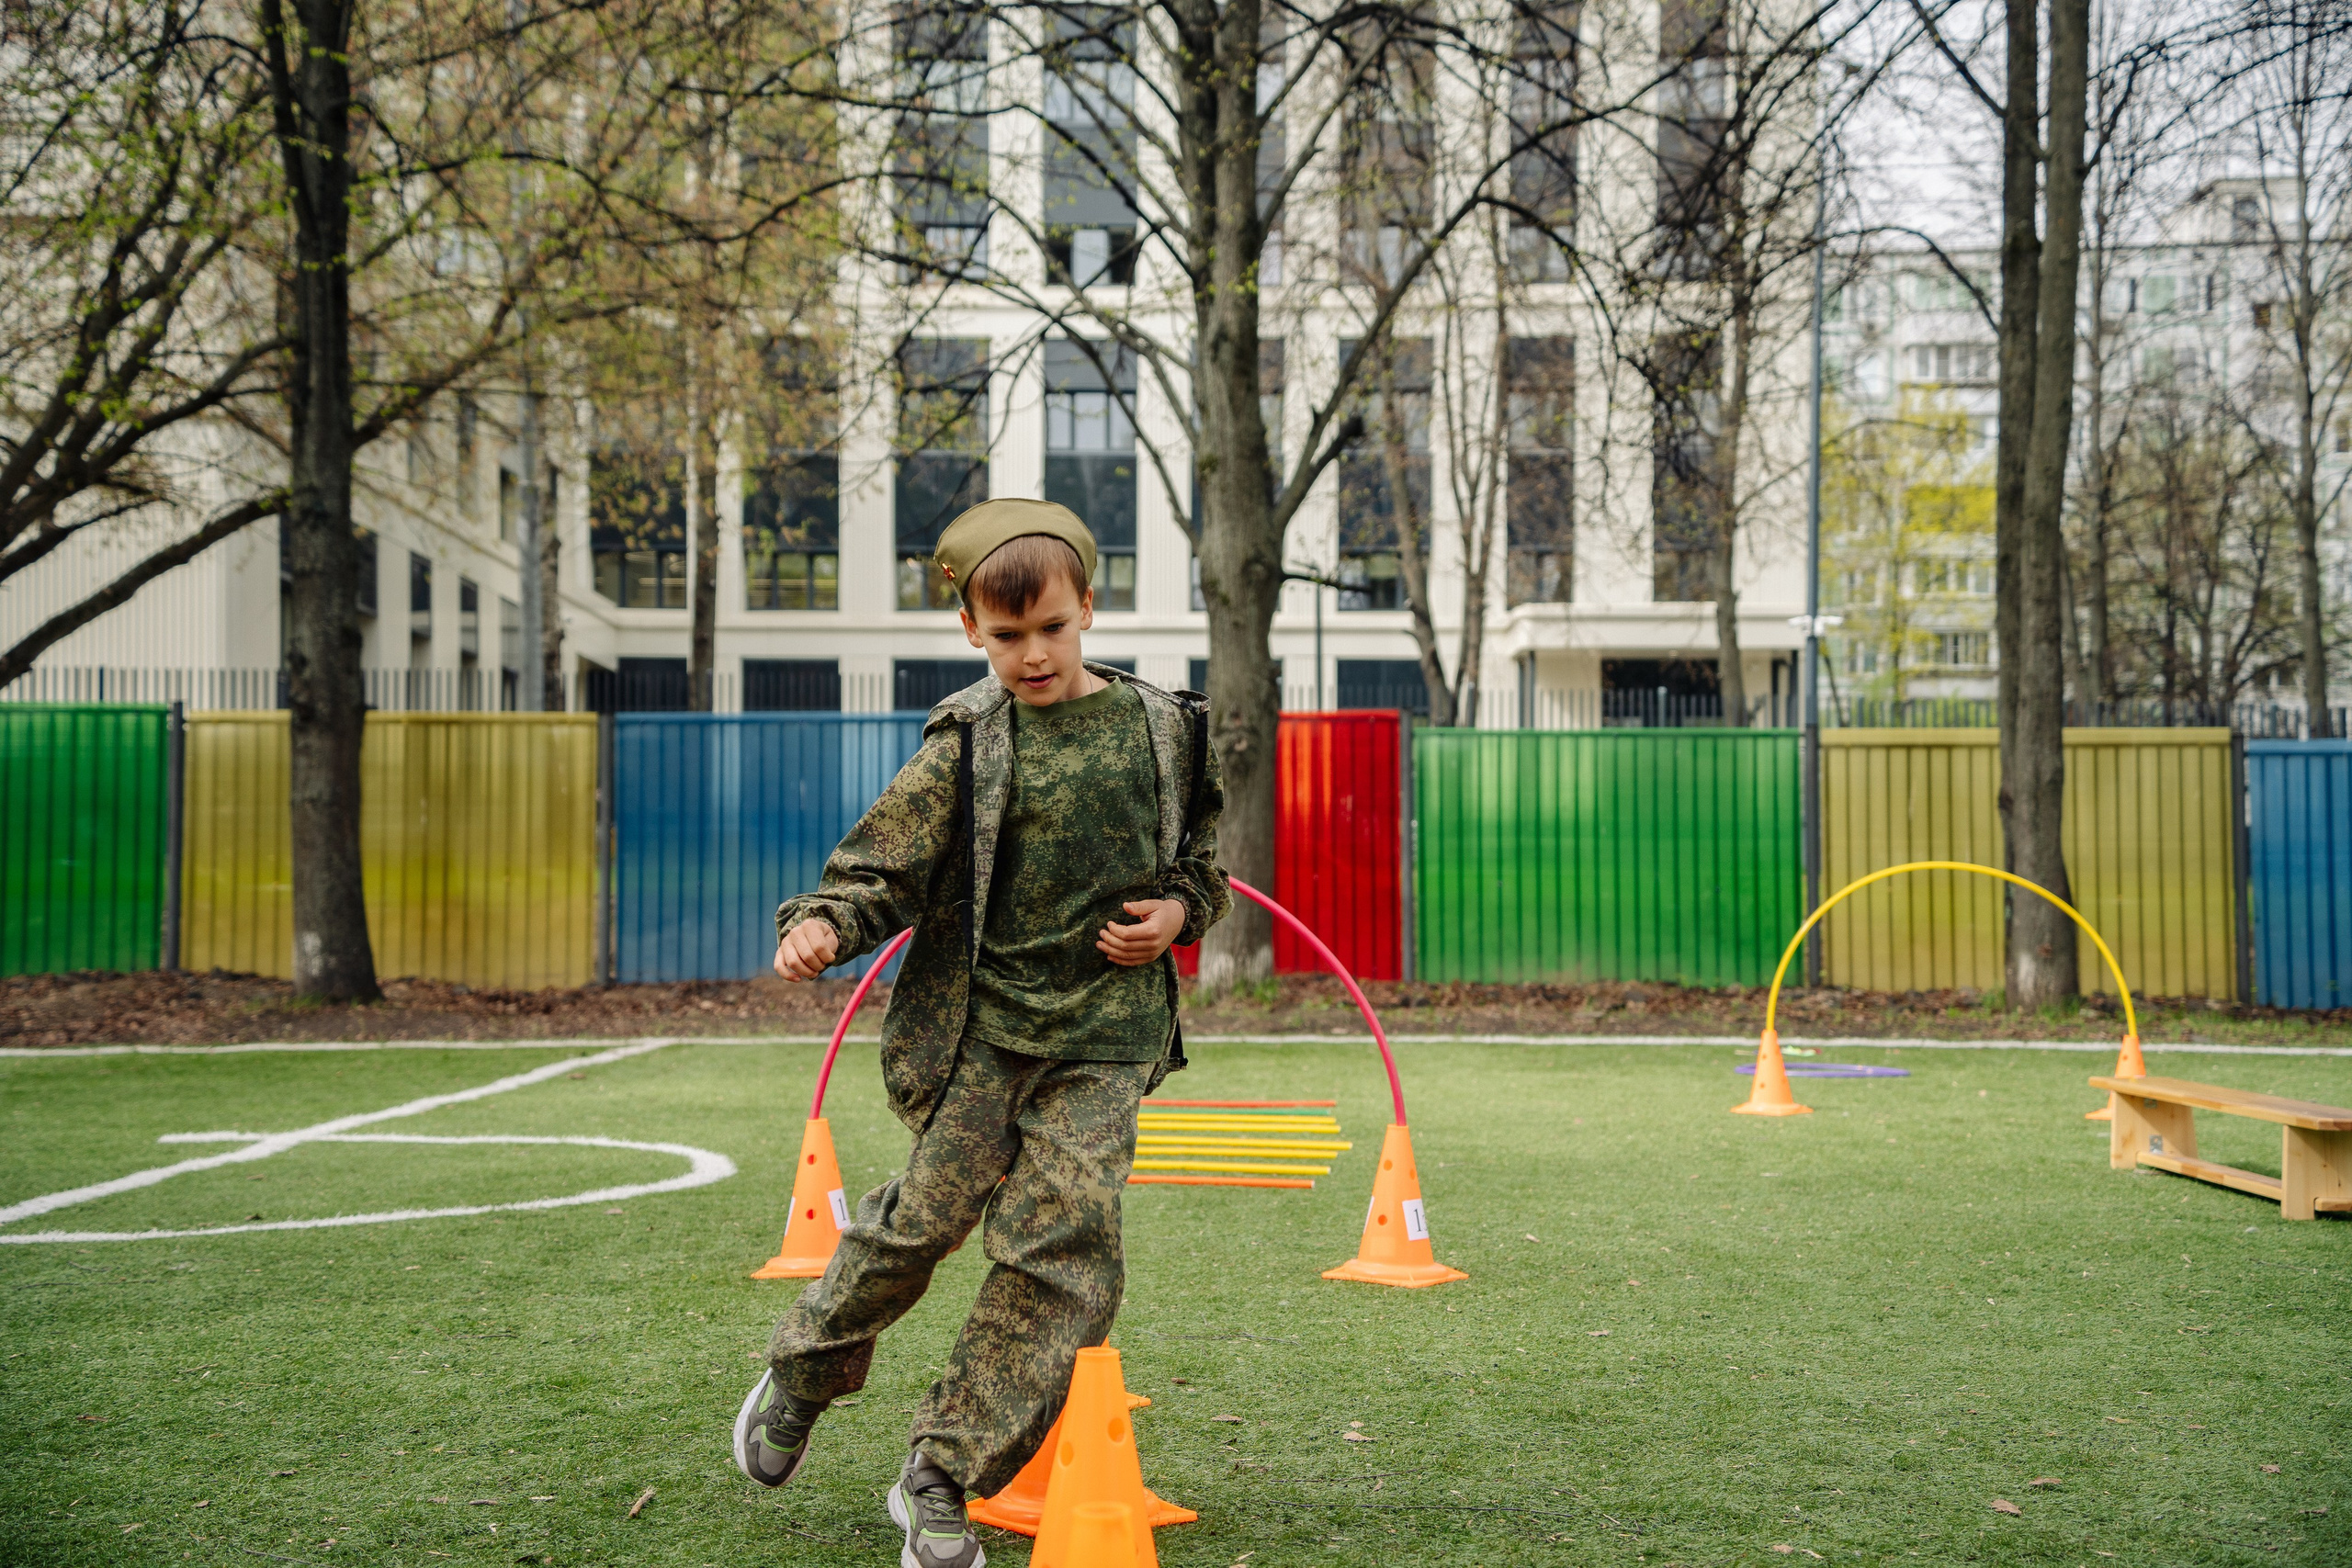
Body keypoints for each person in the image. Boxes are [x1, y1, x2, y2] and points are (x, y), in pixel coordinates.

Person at [731, 498, 1228, 1568]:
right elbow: (885, 864)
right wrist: (826, 922)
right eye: (1006, 637)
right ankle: (805, 1370)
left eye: (1050, 627)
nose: (1033, 653)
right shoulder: (967, 742)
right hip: (981, 1036)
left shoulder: (1165, 726)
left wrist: (1181, 912)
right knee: (919, 1228)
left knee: (1066, 1253)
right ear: (969, 630)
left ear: (1088, 607)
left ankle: (942, 1472)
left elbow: (1200, 859)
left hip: (1103, 1039)